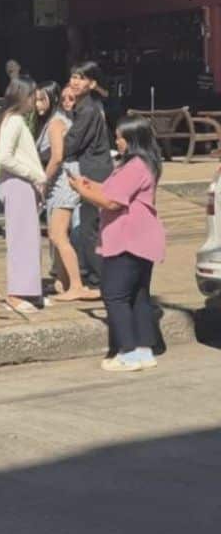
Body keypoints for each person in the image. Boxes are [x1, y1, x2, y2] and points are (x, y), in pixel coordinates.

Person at [70, 115, 166, 372]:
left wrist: (83, 192)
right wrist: (92, 185)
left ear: (133, 140)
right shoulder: (144, 164)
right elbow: (114, 190)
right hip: (141, 238)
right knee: (138, 294)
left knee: (115, 294)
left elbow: (112, 202)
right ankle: (144, 349)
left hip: (128, 239)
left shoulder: (135, 165)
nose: (117, 141)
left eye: (120, 137)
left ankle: (129, 352)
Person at [36, 83, 96, 301]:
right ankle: (63, 282)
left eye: (41, 99)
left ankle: (76, 285)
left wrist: (42, 180)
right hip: (62, 182)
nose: (37, 104)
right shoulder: (55, 122)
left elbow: (57, 156)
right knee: (58, 235)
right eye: (36, 99)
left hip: (61, 182)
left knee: (58, 235)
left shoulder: (55, 123)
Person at [0, 77, 47, 314]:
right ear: (22, 96)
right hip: (19, 183)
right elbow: (2, 158)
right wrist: (33, 174)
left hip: (20, 183)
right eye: (32, 95)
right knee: (21, 240)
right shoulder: (14, 121)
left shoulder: (11, 120)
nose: (35, 100)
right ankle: (15, 295)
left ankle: (30, 291)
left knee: (28, 239)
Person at [62, 61, 113, 289]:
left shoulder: (89, 109)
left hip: (93, 171)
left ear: (92, 83)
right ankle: (93, 273)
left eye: (81, 78)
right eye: (73, 76)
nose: (75, 81)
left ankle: (100, 278)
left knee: (89, 228)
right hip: (94, 168)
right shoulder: (84, 106)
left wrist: (44, 152)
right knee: (88, 227)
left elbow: (71, 143)